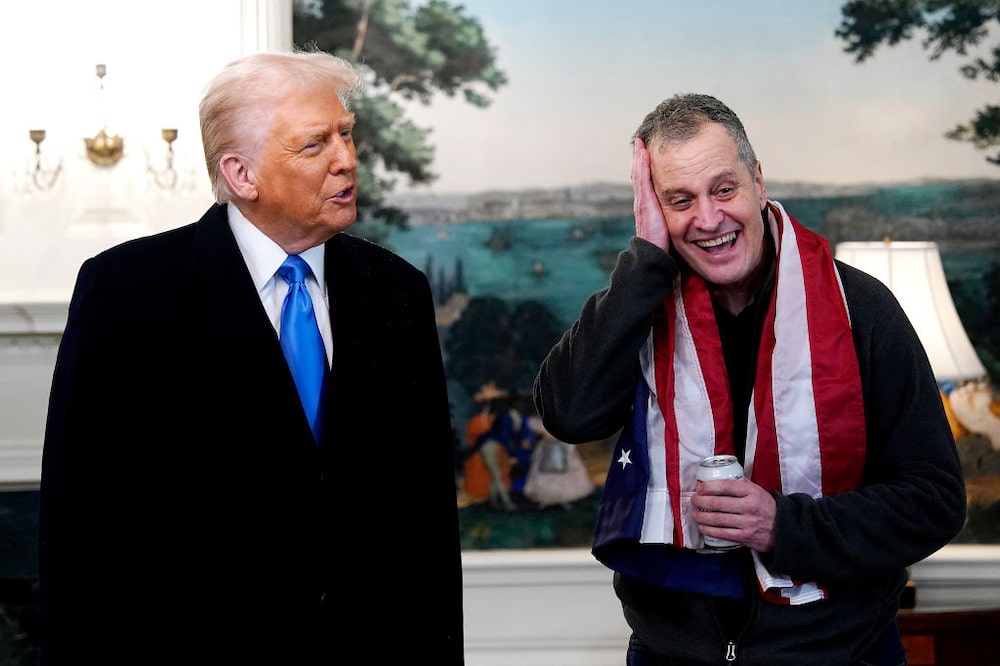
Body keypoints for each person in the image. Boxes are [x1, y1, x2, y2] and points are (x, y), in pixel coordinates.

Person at [38, 49, 464, 664]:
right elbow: (79, 524)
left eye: (345, 134)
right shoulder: (127, 291)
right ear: (241, 175)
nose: (346, 158)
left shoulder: (397, 289)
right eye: (314, 144)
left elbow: (427, 517)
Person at [533, 93, 966, 665]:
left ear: (758, 181)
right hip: (669, 653)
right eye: (680, 200)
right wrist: (643, 261)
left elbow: (934, 502)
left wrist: (783, 525)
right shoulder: (639, 307)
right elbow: (569, 414)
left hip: (838, 652)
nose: (708, 219)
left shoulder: (860, 309)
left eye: (724, 189)